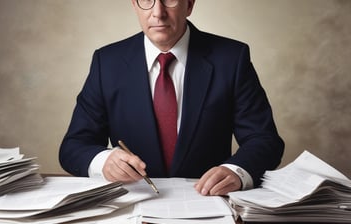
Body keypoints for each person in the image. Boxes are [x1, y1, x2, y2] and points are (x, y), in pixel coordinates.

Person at [59, 0, 284, 196]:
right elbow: (74, 146)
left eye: (170, 0)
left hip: (207, 203)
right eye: (146, 0)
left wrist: (237, 171)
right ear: (134, 4)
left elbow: (264, 140)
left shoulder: (232, 58)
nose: (158, 12)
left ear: (190, 4)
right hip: (133, 206)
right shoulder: (106, 62)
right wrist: (103, 162)